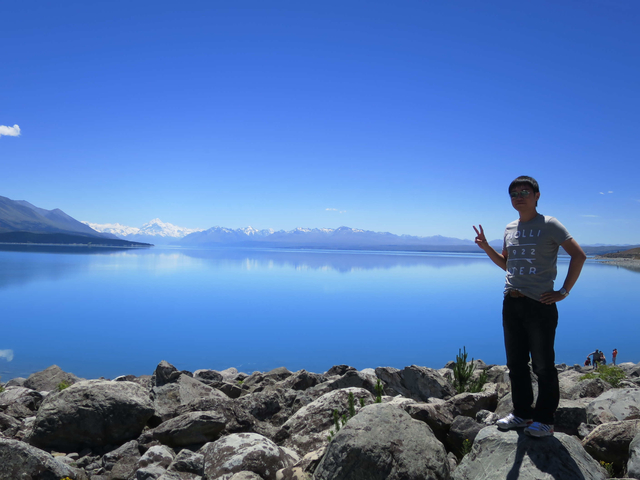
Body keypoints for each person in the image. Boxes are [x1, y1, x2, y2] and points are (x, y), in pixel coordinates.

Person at [473, 176, 586, 437]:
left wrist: (564, 292)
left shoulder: (550, 224)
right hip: (511, 302)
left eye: (524, 192)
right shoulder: (510, 228)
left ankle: (545, 420)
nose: (519, 196)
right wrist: (486, 247)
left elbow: (579, 256)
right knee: (516, 364)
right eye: (514, 193)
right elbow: (507, 264)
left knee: (543, 366)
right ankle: (522, 414)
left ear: (537, 195)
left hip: (540, 304)